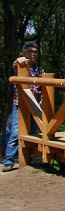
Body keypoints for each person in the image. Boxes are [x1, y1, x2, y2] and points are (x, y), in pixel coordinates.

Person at [3, 43, 43, 172]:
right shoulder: (21, 65)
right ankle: (8, 160)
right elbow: (16, 65)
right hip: (20, 104)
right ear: (24, 53)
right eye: (30, 51)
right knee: (16, 132)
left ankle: (29, 157)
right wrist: (19, 60)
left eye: (35, 52)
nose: (33, 54)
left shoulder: (38, 69)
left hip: (35, 105)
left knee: (34, 132)